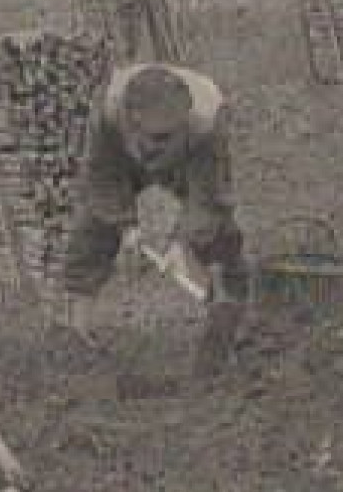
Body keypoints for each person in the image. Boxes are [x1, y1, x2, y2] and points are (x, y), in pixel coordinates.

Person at [61, 63, 246, 379]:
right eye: (151, 136)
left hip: (188, 159)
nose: (155, 146)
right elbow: (102, 179)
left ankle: (229, 313)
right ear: (130, 121)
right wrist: (125, 225)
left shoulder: (207, 121)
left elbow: (207, 197)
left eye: (165, 136)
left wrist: (180, 242)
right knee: (93, 225)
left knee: (217, 225)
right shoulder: (109, 111)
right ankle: (76, 328)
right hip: (124, 157)